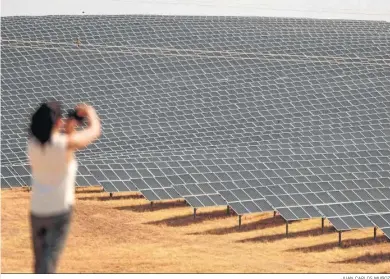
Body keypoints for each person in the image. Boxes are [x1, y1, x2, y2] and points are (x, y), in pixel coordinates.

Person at [27, 101, 101, 273]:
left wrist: (69, 128)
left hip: (38, 211)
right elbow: (94, 132)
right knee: (49, 261)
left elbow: (63, 150)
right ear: (58, 122)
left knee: (40, 261)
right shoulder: (63, 145)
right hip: (58, 211)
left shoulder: (33, 145)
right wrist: (90, 113)